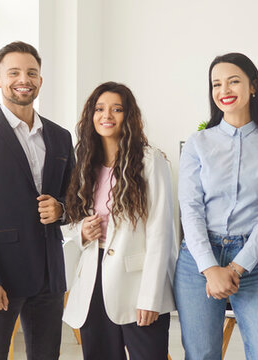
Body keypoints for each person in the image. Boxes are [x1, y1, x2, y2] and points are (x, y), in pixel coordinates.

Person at [0, 41, 74, 360]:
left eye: (32, 73)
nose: (24, 79)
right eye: (14, 72)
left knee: (47, 355)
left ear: (40, 80)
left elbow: (76, 198)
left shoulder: (61, 137)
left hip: (50, 275)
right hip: (1, 277)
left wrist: (61, 208)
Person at [175, 52, 258, 359]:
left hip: (253, 261)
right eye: (216, 84)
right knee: (201, 355)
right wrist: (210, 268)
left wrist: (236, 267)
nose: (224, 90)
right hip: (198, 262)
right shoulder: (198, 143)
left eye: (233, 81)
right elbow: (190, 210)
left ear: (253, 86)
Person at [61, 82, 177, 359]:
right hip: (92, 283)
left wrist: (150, 298)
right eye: (100, 109)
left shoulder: (151, 160)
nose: (107, 115)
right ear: (91, 115)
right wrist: (81, 233)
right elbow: (71, 220)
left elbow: (161, 232)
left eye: (117, 109)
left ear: (129, 116)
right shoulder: (85, 164)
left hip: (137, 285)